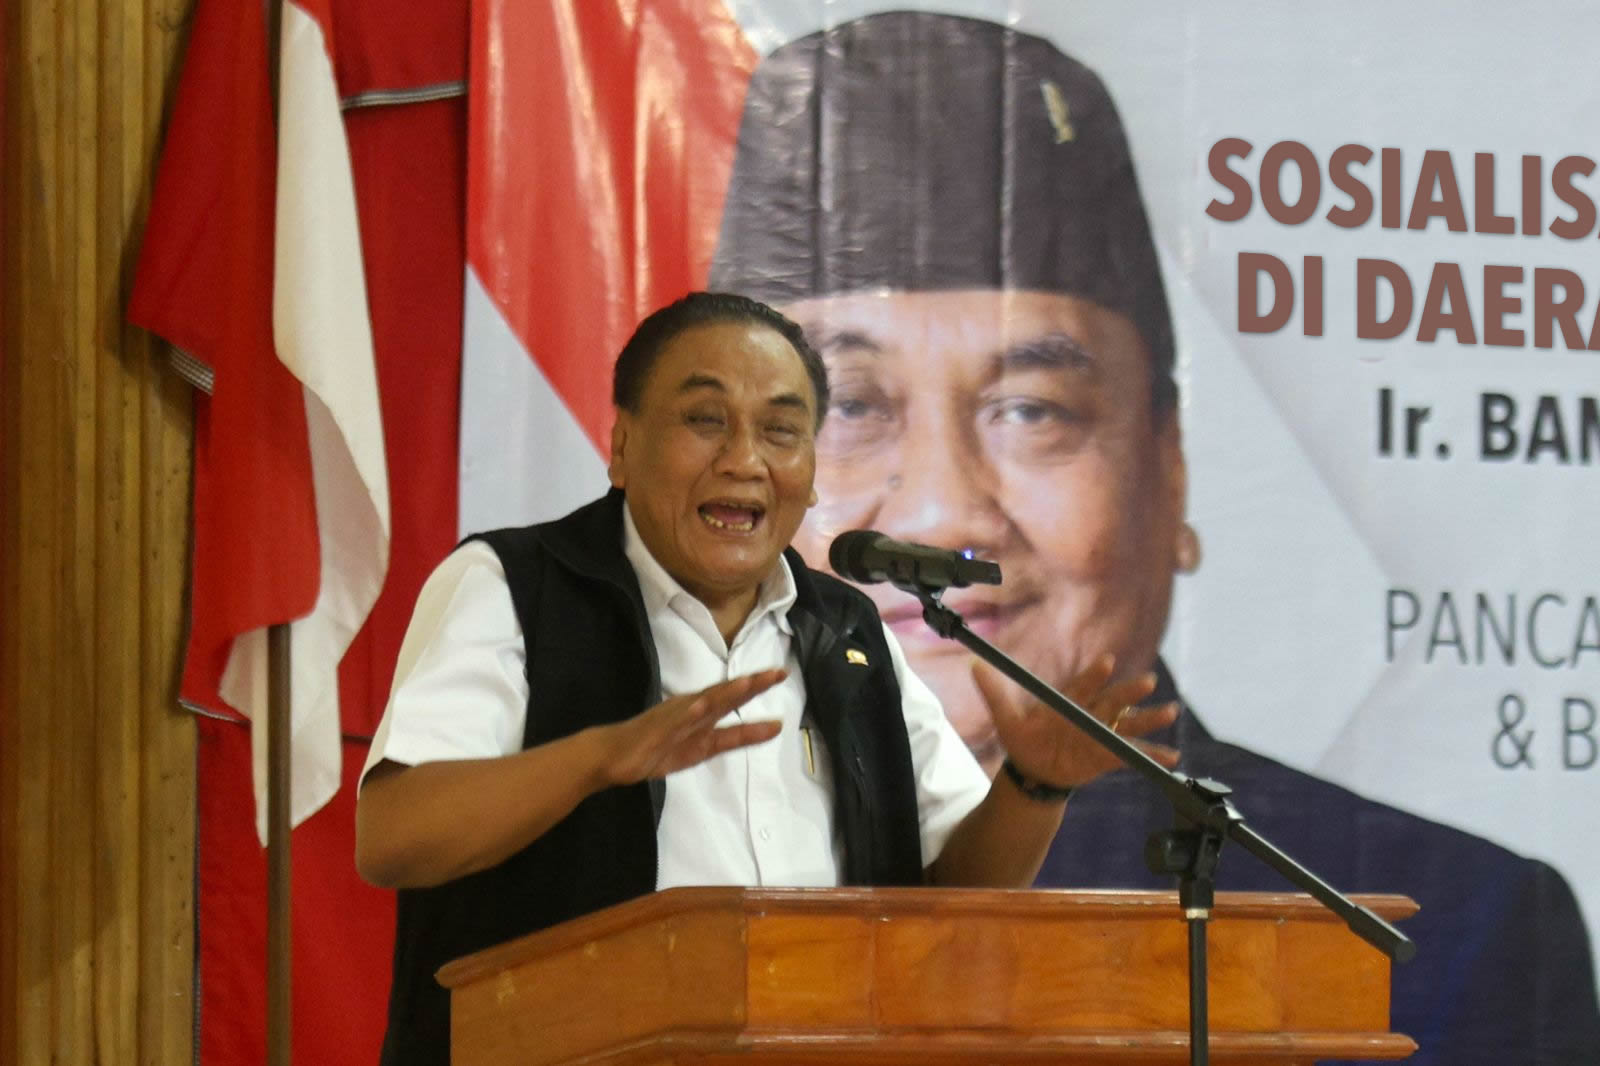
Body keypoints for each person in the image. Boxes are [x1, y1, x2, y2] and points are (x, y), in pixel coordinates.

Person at [706, 11, 1600, 1065]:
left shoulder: (1448, 929)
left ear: (1169, 473)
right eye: (850, 405)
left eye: (1031, 410)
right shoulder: (656, 865)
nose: (943, 509)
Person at [354, 291, 1179, 1066]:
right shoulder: (515, 586)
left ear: (811, 472)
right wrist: (597, 758)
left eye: (781, 430)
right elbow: (393, 838)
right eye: (704, 420)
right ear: (622, 446)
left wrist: (1033, 787)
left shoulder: (845, 631)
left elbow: (950, 897)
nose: (744, 460)